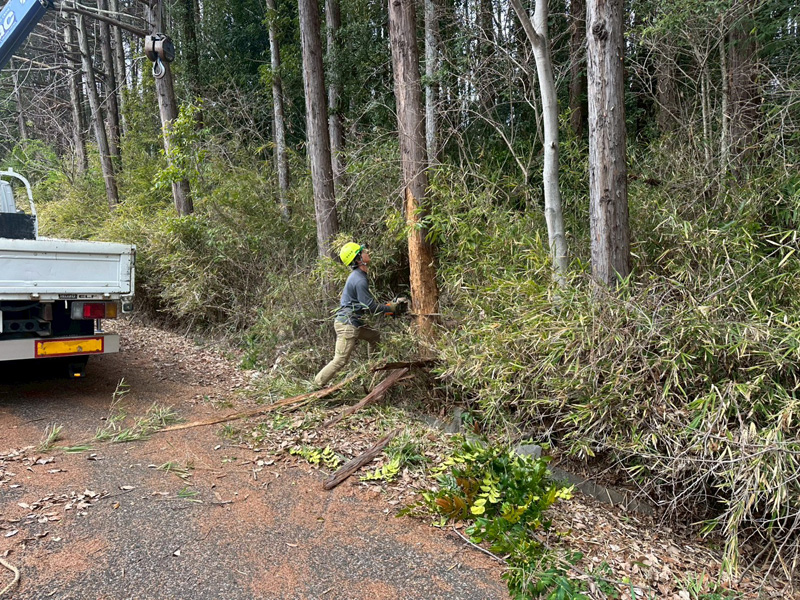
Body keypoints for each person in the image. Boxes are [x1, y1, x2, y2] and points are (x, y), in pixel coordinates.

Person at [314, 242, 406, 388]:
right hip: (347, 325)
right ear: (358, 259)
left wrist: (388, 308)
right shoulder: (359, 279)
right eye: (363, 252)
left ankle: (374, 369)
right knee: (340, 360)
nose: (366, 252)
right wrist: (391, 308)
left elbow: (366, 304)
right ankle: (316, 385)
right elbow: (369, 306)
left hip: (353, 322)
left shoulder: (358, 276)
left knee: (375, 336)